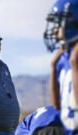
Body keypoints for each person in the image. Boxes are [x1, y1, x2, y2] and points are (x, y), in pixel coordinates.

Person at [44, 0, 78, 134]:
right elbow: (56, 105)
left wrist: (75, 65)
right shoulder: (64, 57)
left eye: (58, 23)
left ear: (71, 24)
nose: (55, 29)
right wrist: (53, 68)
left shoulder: (74, 58)